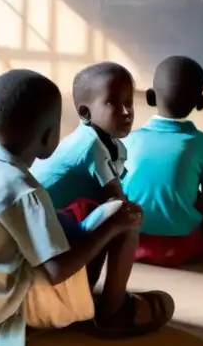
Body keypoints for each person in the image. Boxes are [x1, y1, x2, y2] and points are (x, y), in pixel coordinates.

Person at [0, 69, 174, 346]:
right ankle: (113, 312)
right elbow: (57, 270)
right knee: (123, 216)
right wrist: (112, 226)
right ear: (50, 139)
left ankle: (89, 296)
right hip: (2, 308)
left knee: (79, 222)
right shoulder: (24, 191)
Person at [122, 56, 203, 267]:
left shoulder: (130, 138)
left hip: (128, 241)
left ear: (150, 97)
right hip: (182, 246)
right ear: (201, 103)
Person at [31, 62, 135, 224]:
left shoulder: (114, 145)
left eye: (128, 102)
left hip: (56, 215)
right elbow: (118, 200)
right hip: (36, 220)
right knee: (124, 216)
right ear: (85, 112)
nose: (126, 111)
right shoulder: (90, 146)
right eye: (112, 103)